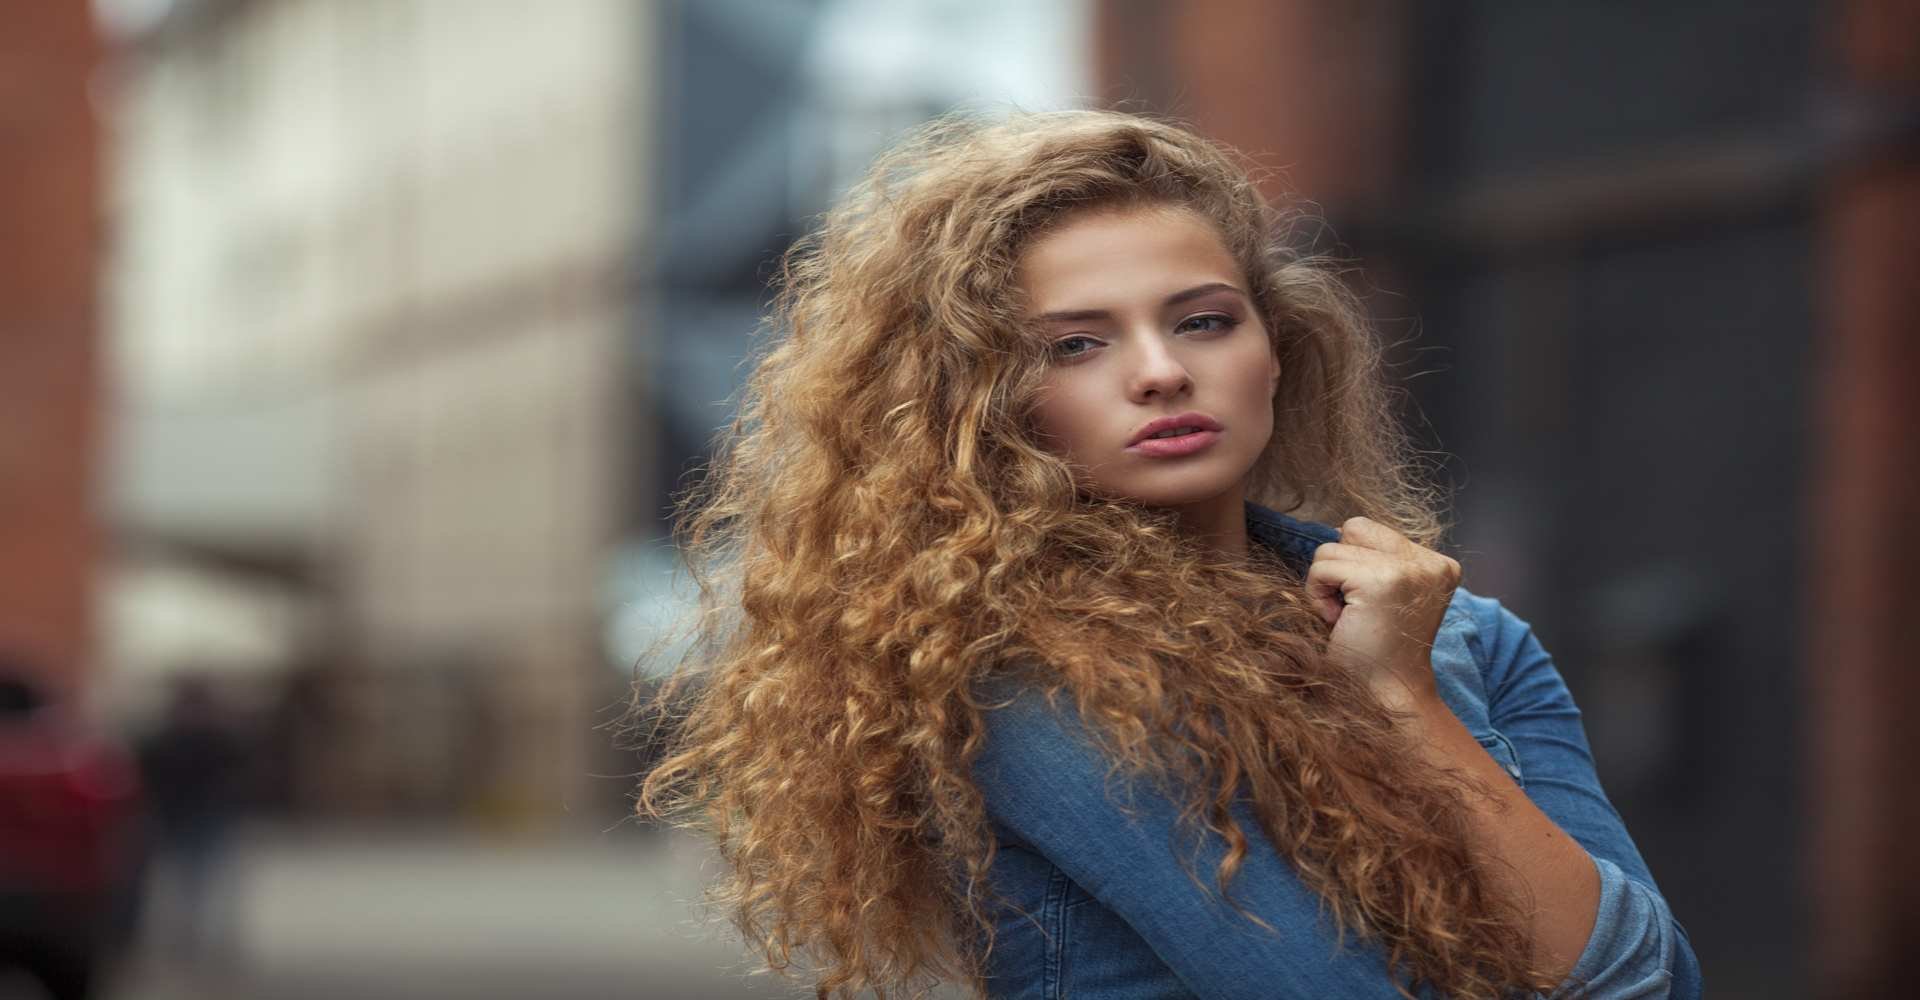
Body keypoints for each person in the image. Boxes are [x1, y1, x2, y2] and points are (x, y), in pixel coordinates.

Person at [634, 109, 1700, 999]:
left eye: (1202, 321)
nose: (1159, 372)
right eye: (1078, 345)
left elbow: (1648, 979)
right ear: (984, 405)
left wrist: (1404, 701)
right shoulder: (1027, 684)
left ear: (1276, 353)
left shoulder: (1457, 635)